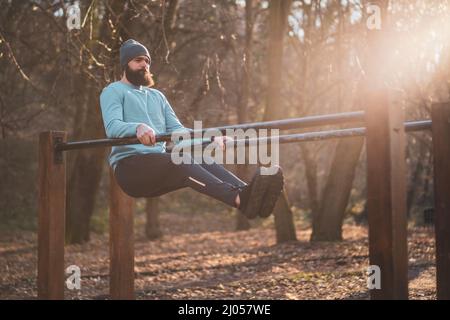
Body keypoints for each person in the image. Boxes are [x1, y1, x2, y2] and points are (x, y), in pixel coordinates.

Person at [100, 39, 284, 219]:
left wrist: (211, 139)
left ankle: (248, 196)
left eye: (147, 61)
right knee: (181, 159)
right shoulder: (114, 91)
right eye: (138, 60)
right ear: (125, 63)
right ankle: (238, 198)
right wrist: (137, 127)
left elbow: (179, 133)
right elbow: (112, 126)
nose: (144, 65)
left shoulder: (157, 96)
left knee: (199, 158)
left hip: (155, 164)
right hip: (130, 169)